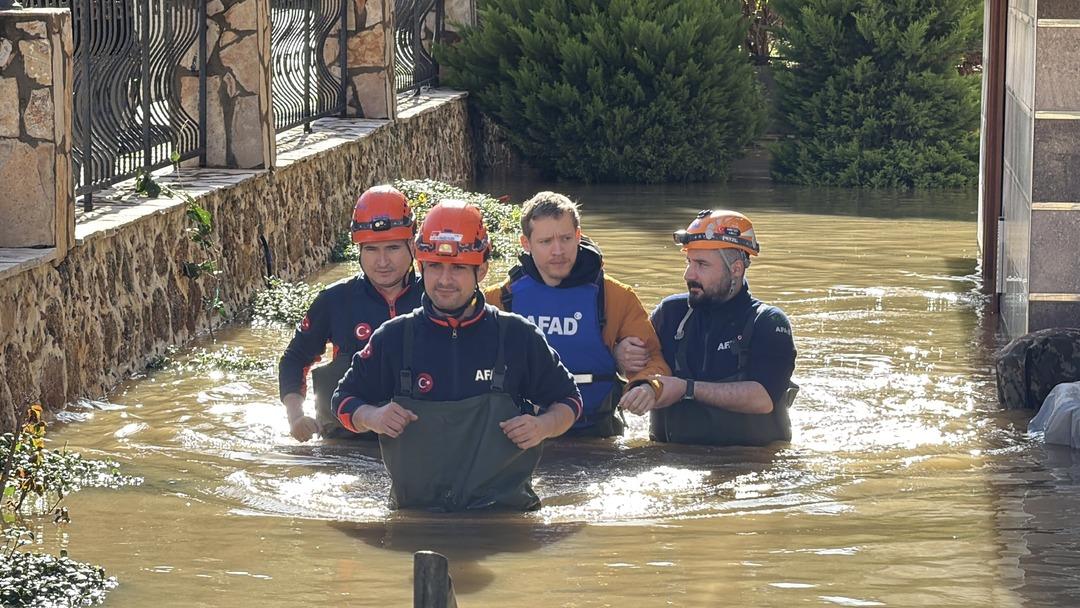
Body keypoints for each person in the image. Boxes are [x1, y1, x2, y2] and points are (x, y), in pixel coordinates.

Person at [330, 200, 583, 511]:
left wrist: (543, 425)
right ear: (420, 266)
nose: (445, 280)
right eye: (435, 266)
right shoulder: (393, 338)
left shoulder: (518, 336)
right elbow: (342, 400)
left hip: (505, 520)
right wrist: (372, 417)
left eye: (459, 268)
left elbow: (570, 401)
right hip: (415, 518)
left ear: (482, 269)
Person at [484, 191, 670, 437]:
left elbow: (655, 361)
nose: (558, 250)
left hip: (596, 432)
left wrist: (646, 386)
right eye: (546, 241)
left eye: (566, 238)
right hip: (521, 433)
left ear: (579, 236)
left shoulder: (615, 296)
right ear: (526, 244)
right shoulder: (499, 299)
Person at [618, 209, 798, 446]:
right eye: (688, 262)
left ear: (736, 269)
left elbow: (763, 398)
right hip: (670, 460)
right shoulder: (670, 314)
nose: (688, 274)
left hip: (750, 465)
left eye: (702, 264)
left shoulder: (768, 322)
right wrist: (620, 356)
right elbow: (637, 367)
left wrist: (686, 389)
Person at [278, 185, 422, 442]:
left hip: (416, 442)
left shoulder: (435, 298)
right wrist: (296, 416)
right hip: (345, 442)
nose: (382, 262)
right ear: (358, 250)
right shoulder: (335, 300)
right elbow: (295, 358)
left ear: (412, 244)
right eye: (371, 250)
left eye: (392, 248)